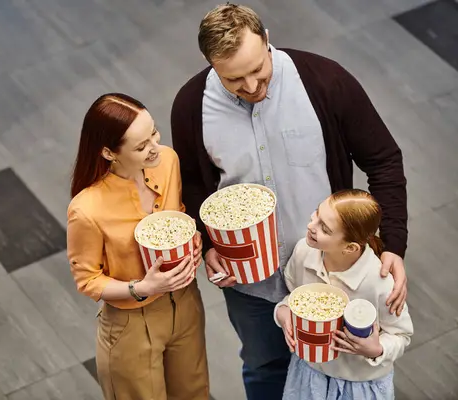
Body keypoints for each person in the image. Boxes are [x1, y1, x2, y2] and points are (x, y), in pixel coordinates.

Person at [170, 3, 408, 399]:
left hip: (332, 275)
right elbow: (194, 185)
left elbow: (383, 161)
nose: (250, 86)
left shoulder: (326, 82)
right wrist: (210, 243)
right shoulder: (190, 105)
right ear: (211, 64)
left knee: (342, 371)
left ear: (266, 42)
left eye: (257, 71)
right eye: (234, 79)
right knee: (265, 369)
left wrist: (393, 244)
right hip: (252, 286)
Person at [67, 93, 210, 400]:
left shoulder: (168, 161)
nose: (155, 148)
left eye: (154, 133)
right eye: (141, 146)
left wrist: (192, 240)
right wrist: (142, 286)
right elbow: (87, 280)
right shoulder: (86, 209)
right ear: (109, 152)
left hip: (186, 304)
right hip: (132, 323)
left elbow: (178, 214)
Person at [275, 189, 414, 399]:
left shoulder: (380, 282)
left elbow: (401, 335)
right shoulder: (303, 251)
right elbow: (293, 295)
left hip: (359, 384)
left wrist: (376, 349)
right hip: (310, 373)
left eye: (325, 228)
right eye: (316, 214)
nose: (310, 226)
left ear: (350, 247)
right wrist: (284, 312)